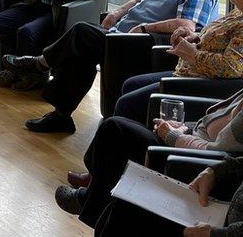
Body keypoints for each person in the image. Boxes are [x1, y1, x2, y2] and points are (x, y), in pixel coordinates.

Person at [5, 0, 220, 133]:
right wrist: (117, 12)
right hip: (123, 37)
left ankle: (40, 64)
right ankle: (61, 115)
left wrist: (145, 28)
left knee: (82, 32)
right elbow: (141, 0)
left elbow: (188, 25)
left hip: (146, 45)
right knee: (80, 52)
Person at [55, 89, 243, 227]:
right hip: (190, 138)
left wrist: (173, 136)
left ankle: (91, 202)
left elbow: (220, 151)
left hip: (195, 158)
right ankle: (94, 197)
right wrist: (184, 127)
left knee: (116, 130)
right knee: (116, 129)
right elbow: (215, 123)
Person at [112, 0, 243, 121]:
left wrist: (192, 54)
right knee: (130, 84)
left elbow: (231, 67)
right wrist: (195, 37)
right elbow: (218, 40)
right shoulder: (238, 12)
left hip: (200, 84)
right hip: (188, 73)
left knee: (126, 104)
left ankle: (126, 135)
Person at [95, 158, 243, 235]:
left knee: (127, 216)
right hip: (224, 214)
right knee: (125, 205)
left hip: (225, 231)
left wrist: (218, 234)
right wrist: (216, 171)